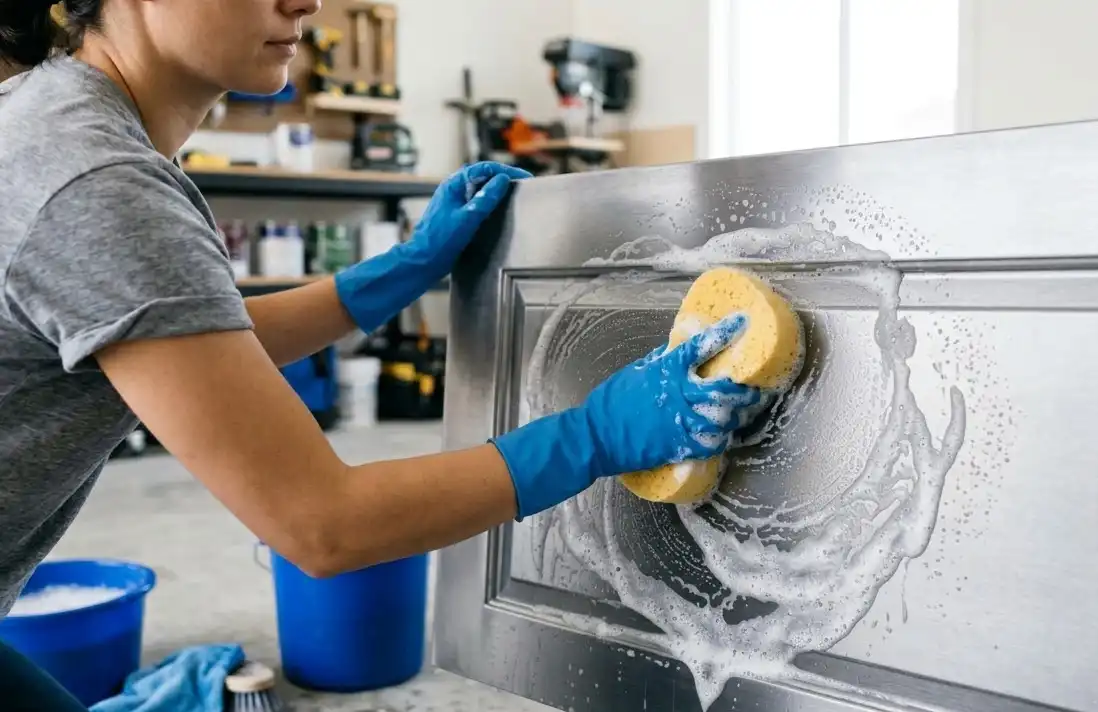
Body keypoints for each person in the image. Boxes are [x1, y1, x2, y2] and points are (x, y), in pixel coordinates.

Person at [0, 0, 759, 708]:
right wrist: (592, 437)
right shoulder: (98, 180)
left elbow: (192, 353)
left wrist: (399, 271)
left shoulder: (55, 119)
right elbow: (324, 525)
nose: (306, 1)